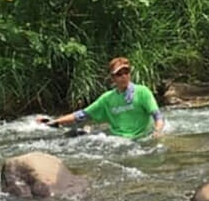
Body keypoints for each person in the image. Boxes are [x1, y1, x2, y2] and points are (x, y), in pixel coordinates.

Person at [37, 57, 165, 139]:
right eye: (119, 74)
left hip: (142, 139)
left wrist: (158, 131)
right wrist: (55, 122)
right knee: (72, 136)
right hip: (118, 141)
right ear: (113, 78)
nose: (124, 76)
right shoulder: (107, 98)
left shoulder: (143, 92)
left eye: (126, 72)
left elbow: (157, 115)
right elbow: (82, 115)